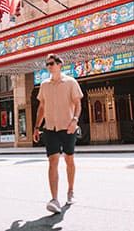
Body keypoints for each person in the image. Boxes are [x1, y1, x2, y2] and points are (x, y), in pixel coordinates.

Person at [33, 53, 83, 214]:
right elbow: (41, 108)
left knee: (69, 159)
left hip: (68, 127)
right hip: (50, 129)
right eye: (47, 64)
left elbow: (77, 104)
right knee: (53, 161)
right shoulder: (44, 85)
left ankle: (70, 190)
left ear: (60, 64)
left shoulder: (71, 82)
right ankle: (54, 199)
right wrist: (36, 127)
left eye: (52, 63)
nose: (49, 66)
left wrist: (75, 120)